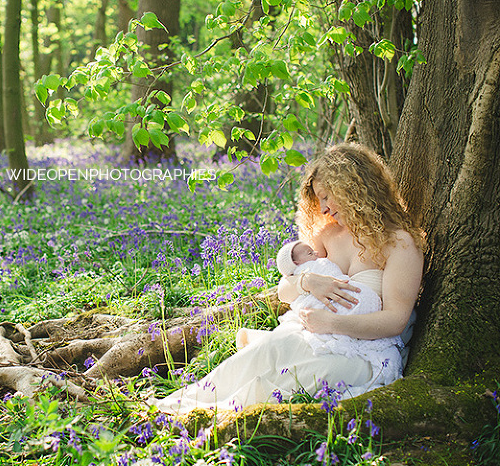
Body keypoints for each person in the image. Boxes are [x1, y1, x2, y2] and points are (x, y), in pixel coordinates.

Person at [152, 143, 423, 415]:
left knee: (294, 376)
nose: (325, 209)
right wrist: (308, 283)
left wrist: (331, 322)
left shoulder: (398, 243)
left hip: (365, 353)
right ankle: (179, 406)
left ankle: (217, 417)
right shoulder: (327, 235)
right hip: (310, 334)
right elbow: (285, 291)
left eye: (328, 196)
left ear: (353, 188)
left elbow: (396, 320)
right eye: (320, 200)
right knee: (267, 351)